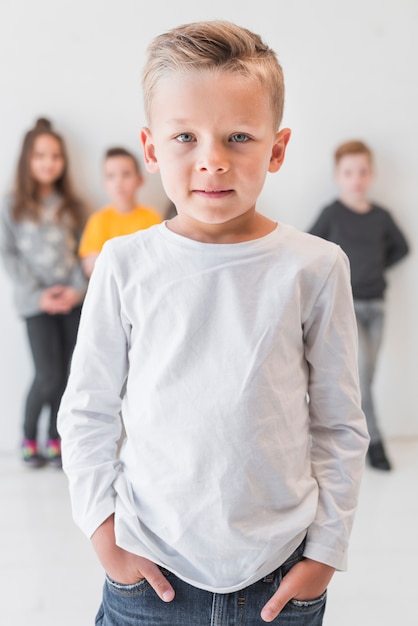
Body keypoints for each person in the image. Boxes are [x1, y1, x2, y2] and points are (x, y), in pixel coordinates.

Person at [58, 21, 369, 625]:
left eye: (238, 136)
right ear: (151, 148)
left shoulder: (317, 266)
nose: (212, 162)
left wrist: (325, 553)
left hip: (280, 578)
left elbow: (338, 422)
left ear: (276, 149)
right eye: (185, 138)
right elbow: (89, 408)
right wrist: (103, 532)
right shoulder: (125, 263)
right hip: (150, 575)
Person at [309, 140, 409, 471]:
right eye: (349, 172)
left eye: (362, 171)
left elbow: (402, 248)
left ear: (372, 175)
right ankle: (375, 444)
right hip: (346, 308)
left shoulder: (381, 217)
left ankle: (351, 437)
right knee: (362, 377)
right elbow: (310, 246)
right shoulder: (332, 213)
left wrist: (376, 268)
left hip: (376, 307)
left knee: (366, 376)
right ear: (338, 176)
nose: (356, 178)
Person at [0, 117, 87, 468]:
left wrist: (75, 293)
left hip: (71, 302)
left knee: (68, 374)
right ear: (27, 160)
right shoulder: (12, 205)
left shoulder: (74, 207)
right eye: (40, 156)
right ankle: (27, 436)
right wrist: (39, 295)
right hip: (35, 304)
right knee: (46, 374)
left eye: (54, 156)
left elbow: (86, 254)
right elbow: (8, 253)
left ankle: (56, 438)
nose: (48, 163)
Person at [78, 147, 162, 277]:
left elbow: (158, 259)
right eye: (111, 176)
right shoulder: (98, 220)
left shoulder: (151, 217)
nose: (119, 182)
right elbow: (91, 265)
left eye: (126, 174)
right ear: (104, 183)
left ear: (140, 180)